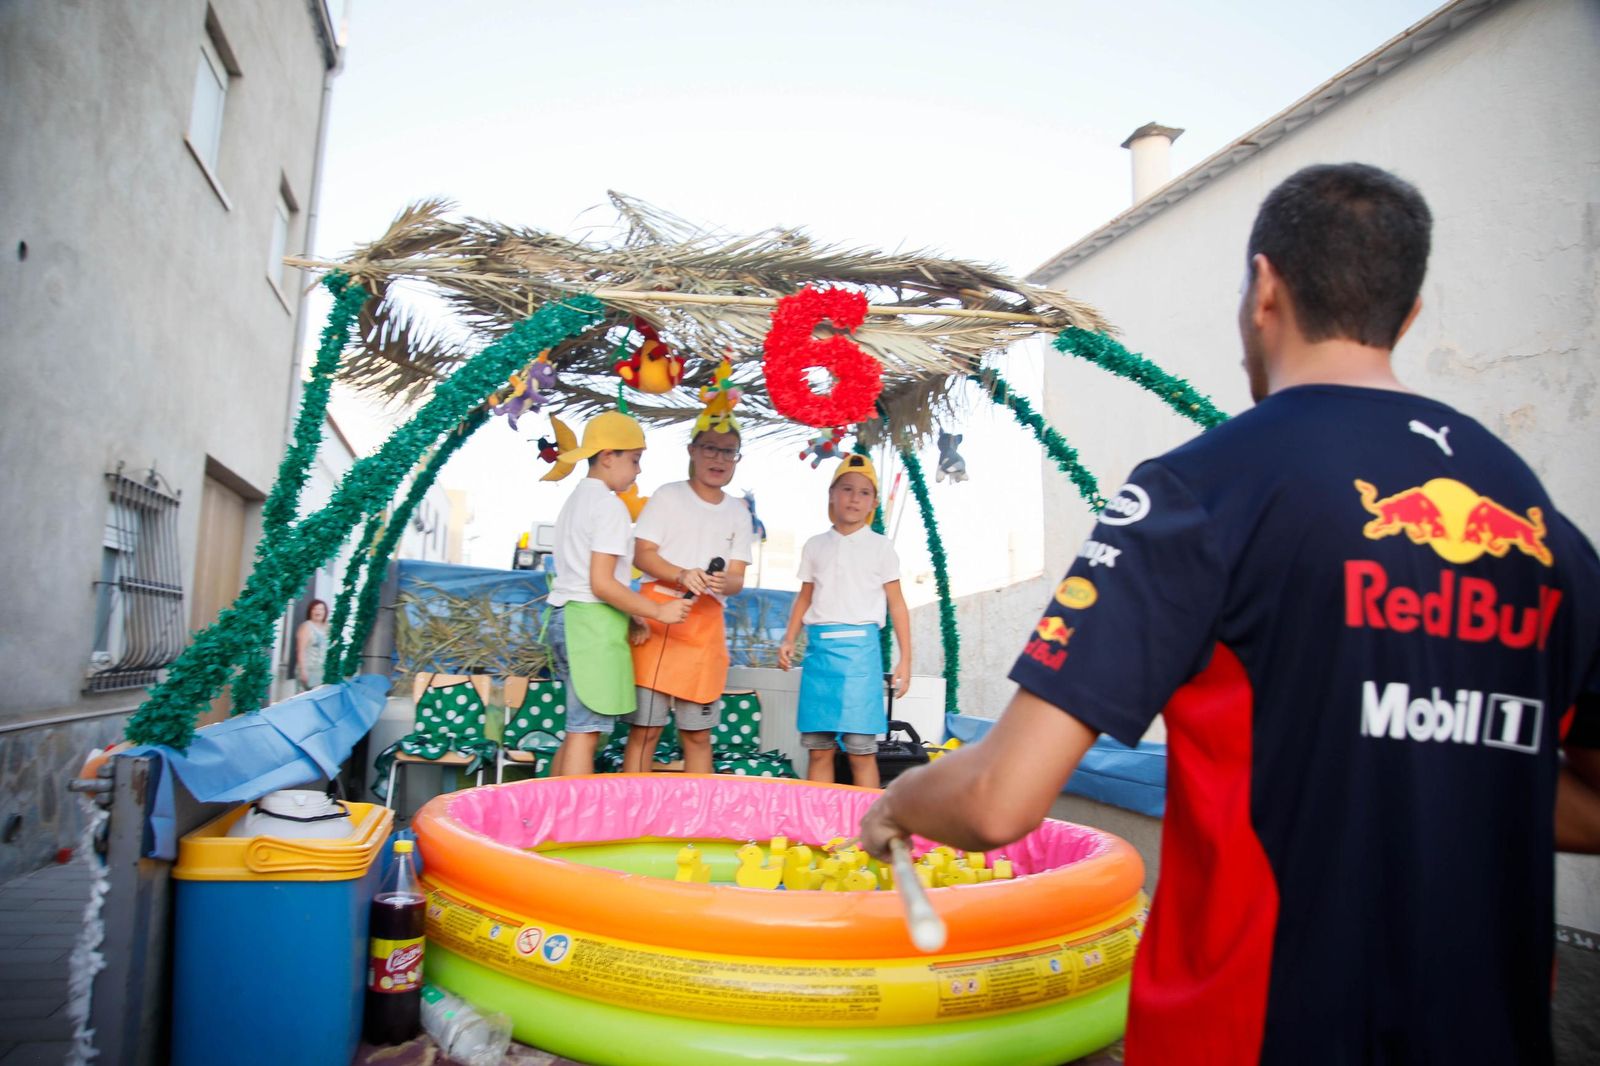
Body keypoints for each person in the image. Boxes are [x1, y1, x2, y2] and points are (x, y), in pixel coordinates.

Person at [858, 163, 1600, 1063]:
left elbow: (998, 798)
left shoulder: (1200, 492)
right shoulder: (1540, 525)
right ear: (1406, 315)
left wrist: (898, 800)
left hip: (1255, 1026)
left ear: (1263, 289)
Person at [544, 412, 691, 777]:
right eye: (635, 459)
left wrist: (633, 614)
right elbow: (602, 583)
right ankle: (572, 827)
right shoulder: (609, 506)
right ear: (608, 456)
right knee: (586, 732)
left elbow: (586, 577)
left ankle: (548, 812)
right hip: (589, 624)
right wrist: (659, 612)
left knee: (577, 726)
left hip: (566, 617)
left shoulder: (576, 501)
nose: (638, 471)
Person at [625, 427, 755, 774]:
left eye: (729, 452)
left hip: (705, 629)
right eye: (710, 449)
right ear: (692, 451)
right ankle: (630, 820)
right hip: (655, 620)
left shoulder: (739, 513)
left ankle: (700, 825)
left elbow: (738, 579)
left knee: (698, 736)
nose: (719, 459)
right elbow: (642, 555)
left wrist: (723, 581)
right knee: (646, 730)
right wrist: (681, 574)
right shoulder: (667, 496)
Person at [779, 453, 911, 788]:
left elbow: (897, 604)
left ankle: (867, 834)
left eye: (864, 492)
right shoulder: (814, 545)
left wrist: (906, 659)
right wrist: (789, 639)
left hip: (860, 659)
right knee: (819, 750)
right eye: (847, 489)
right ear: (831, 494)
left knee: (860, 751)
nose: (854, 498)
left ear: (874, 503)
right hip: (820, 657)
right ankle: (816, 829)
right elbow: (805, 596)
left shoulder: (882, 548)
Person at [294, 598, 328, 691]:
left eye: (321, 609)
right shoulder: (306, 626)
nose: (318, 611)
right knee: (307, 697)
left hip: (321, 670)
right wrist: (303, 670)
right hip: (309, 669)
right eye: (315, 609)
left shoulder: (327, 627)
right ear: (310, 611)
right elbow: (300, 650)